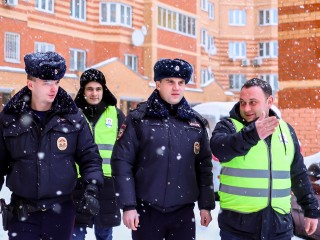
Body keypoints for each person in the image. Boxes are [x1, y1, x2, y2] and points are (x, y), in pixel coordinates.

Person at [0, 52, 104, 240]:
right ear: (30, 84)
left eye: (56, 82)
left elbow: (90, 158)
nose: (53, 88)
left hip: (61, 212)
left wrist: (92, 188)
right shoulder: (9, 120)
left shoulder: (73, 118)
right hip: (22, 212)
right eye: (46, 82)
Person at [110, 58, 215, 240]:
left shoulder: (195, 124)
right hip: (147, 210)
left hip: (183, 212)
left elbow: (203, 167)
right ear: (158, 84)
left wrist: (206, 205)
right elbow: (122, 163)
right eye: (170, 82)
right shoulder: (138, 119)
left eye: (181, 83)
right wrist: (128, 206)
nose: (176, 88)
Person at [210, 78, 320, 240]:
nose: (246, 108)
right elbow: (219, 148)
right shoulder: (228, 126)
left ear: (269, 101)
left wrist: (310, 209)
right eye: (242, 102)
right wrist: (252, 135)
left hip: (279, 228)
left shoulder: (286, 130)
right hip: (238, 229)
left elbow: (298, 174)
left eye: (253, 102)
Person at [72, 68, 125, 240]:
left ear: (103, 90)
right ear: (83, 91)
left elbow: (125, 149)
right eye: (89, 89)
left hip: (108, 183)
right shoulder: (73, 114)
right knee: (76, 233)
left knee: (104, 233)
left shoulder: (116, 114)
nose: (94, 93)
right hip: (79, 182)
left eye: (98, 89)